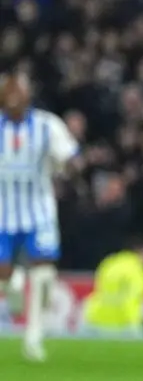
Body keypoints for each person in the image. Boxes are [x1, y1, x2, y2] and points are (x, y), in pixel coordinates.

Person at [0, 68, 79, 362]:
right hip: (2, 214)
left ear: (28, 95)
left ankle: (34, 337)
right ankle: (15, 284)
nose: (13, 99)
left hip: (39, 211)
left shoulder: (47, 125)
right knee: (6, 279)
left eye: (17, 92)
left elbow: (70, 156)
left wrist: (69, 166)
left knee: (45, 273)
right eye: (8, 93)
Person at [83, 238, 143, 334]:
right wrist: (134, 323)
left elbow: (98, 286)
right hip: (124, 323)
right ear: (142, 253)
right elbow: (133, 298)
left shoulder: (109, 262)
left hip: (97, 318)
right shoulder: (138, 270)